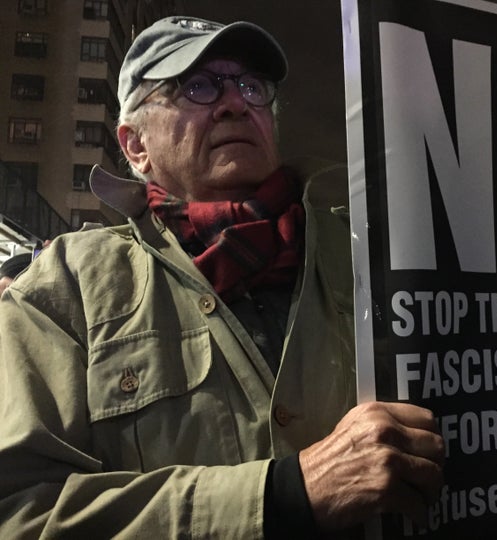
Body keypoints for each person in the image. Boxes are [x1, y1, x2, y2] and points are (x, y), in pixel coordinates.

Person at [0, 16, 444, 538]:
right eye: (197, 86)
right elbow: (21, 512)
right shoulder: (64, 289)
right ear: (136, 145)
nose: (235, 103)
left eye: (252, 86)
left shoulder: (373, 251)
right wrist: (283, 496)